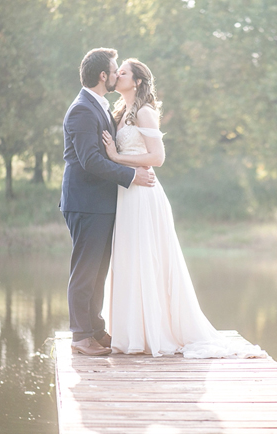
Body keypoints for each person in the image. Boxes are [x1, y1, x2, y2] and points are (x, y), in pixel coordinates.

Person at [102, 58, 266, 358]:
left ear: (137, 81)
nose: (117, 75)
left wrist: (116, 158)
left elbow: (157, 158)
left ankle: (155, 333)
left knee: (147, 259)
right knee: (129, 258)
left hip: (143, 194)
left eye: (123, 72)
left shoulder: (146, 112)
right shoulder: (120, 112)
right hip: (125, 194)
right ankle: (131, 333)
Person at [60, 48, 156, 356]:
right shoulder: (82, 110)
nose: (117, 75)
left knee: (99, 269)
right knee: (85, 270)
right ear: (104, 76)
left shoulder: (99, 106)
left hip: (100, 202)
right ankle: (80, 336)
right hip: (86, 202)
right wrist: (130, 177)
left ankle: (96, 330)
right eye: (115, 70)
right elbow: (90, 161)